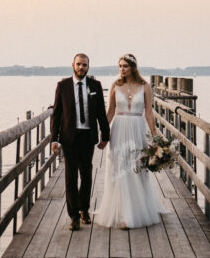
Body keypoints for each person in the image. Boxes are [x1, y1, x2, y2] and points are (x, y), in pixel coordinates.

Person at [94, 53, 166, 229]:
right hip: (119, 128)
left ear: (133, 67)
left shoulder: (145, 86)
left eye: (125, 66)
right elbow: (110, 112)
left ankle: (135, 211)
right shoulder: (115, 85)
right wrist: (104, 134)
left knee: (136, 166)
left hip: (137, 128)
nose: (122, 69)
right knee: (119, 166)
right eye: (119, 66)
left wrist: (155, 135)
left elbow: (148, 112)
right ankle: (122, 212)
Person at [51, 53, 110, 230]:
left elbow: (101, 111)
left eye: (84, 65)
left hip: (88, 136)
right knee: (70, 177)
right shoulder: (63, 86)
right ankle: (74, 216)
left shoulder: (95, 86)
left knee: (86, 174)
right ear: (73, 65)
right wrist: (54, 139)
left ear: (88, 67)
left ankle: (84, 209)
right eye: (78, 64)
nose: (81, 67)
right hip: (69, 137)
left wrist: (105, 135)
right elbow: (56, 114)